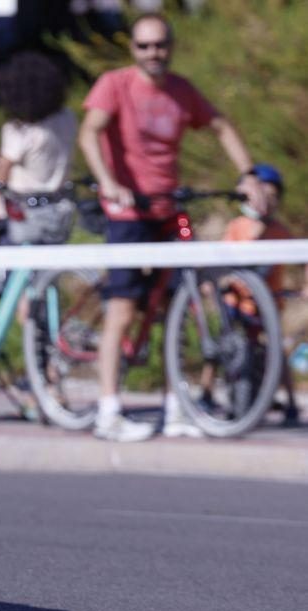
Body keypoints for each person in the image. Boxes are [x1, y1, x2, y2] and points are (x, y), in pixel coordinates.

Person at [78, 13, 267, 442]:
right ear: (133, 49)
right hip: (128, 211)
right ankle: (108, 410)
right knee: (123, 310)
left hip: (170, 209)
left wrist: (248, 175)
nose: (153, 54)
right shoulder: (115, 84)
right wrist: (109, 182)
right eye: (144, 46)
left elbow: (220, 125)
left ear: (171, 46)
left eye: (160, 45)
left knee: (181, 307)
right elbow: (90, 133)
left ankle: (175, 406)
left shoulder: (182, 92)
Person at [219, 163, 306, 425]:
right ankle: (209, 390)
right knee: (226, 347)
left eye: (271, 197)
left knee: (276, 350)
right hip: (238, 302)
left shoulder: (279, 231)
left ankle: (290, 401)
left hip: (269, 302)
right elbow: (221, 259)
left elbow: (301, 256)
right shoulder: (238, 226)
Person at [0, 50, 78, 246]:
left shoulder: (20, 131)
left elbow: (1, 172)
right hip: (61, 206)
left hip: (27, 211)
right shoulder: (67, 118)